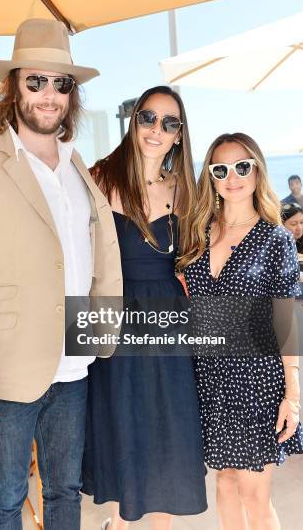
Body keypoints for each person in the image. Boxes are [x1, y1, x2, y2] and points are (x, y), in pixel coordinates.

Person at [0, 18, 122, 530]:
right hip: (7, 372)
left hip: (74, 364)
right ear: (13, 86)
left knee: (65, 492)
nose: (48, 95)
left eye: (60, 84)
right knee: (4, 499)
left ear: (71, 95)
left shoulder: (78, 166)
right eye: (34, 81)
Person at [82, 86, 208, 529]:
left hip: (171, 327)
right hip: (116, 323)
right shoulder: (99, 178)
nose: (157, 129)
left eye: (169, 123)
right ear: (134, 121)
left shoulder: (187, 189)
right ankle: (118, 523)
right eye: (149, 118)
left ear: (179, 135)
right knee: (126, 433)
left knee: (168, 438)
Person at [181, 133, 303, 530]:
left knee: (255, 495)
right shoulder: (196, 234)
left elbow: (285, 322)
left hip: (257, 381)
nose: (232, 177)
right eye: (221, 169)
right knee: (225, 482)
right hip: (209, 380)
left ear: (256, 172)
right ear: (211, 178)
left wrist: (293, 395)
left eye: (242, 166)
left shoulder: (275, 241)